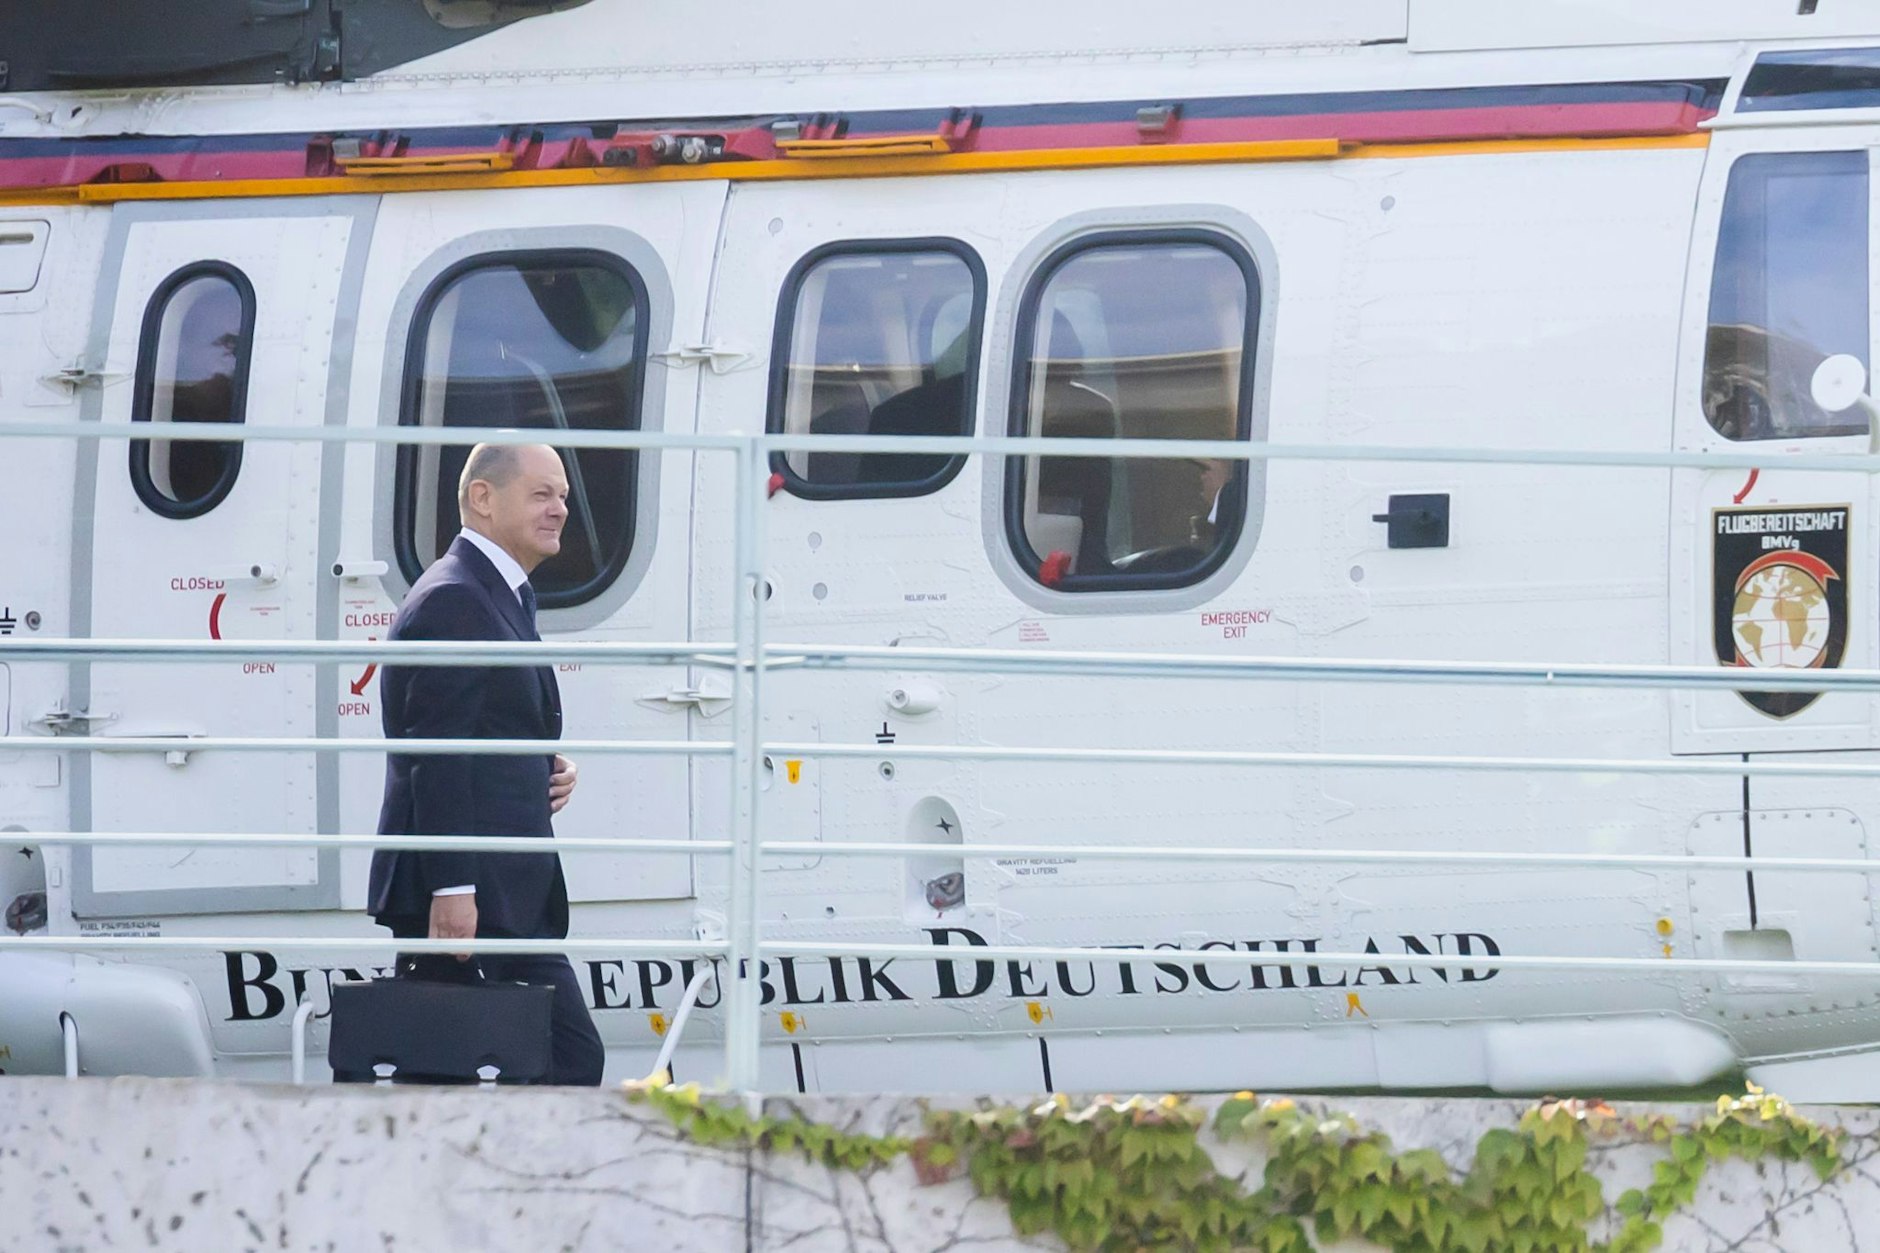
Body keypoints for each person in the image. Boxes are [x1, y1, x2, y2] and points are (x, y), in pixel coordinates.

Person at [367, 442, 604, 1086]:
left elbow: (482, 725)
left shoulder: (498, 593)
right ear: (482, 498)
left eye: (562, 496)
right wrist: (452, 890)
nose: (560, 509)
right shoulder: (456, 599)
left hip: (503, 892)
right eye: (541, 494)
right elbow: (435, 755)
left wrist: (543, 764)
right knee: (495, 1068)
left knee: (536, 1064)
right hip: (469, 898)